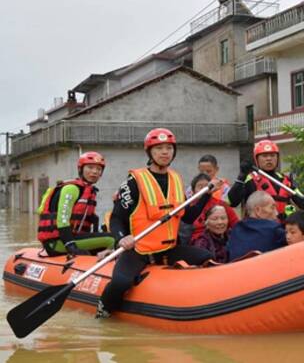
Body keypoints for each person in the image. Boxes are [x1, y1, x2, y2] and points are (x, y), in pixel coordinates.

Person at [96, 128, 213, 319]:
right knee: (120, 283)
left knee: (206, 256)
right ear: (150, 152)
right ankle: (103, 311)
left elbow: (188, 217)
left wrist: (204, 197)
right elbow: (117, 218)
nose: (165, 152)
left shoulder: (176, 179)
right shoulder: (133, 182)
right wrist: (121, 238)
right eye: (159, 148)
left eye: (168, 148)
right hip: (138, 251)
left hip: (167, 250)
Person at [37, 152, 115, 256]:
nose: (95, 172)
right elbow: (62, 219)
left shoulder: (89, 191)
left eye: (99, 169)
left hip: (74, 238)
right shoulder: (71, 189)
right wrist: (70, 245)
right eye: (90, 167)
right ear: (80, 169)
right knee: (112, 239)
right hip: (58, 242)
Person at [227, 139, 304, 222]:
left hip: (282, 229)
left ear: (277, 158)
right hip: (258, 229)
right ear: (256, 159)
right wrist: (241, 177)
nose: (269, 159)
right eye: (264, 156)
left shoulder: (286, 180)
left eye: (272, 155)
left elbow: (303, 203)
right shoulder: (249, 179)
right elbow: (232, 202)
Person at [226, 191, 286, 261]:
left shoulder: (236, 229)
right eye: (272, 208)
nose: (276, 213)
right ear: (258, 210)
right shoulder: (275, 229)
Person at [181, 173, 238, 245]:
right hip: (195, 245)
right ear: (192, 191)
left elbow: (237, 226)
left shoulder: (222, 205)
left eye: (207, 186)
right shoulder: (189, 209)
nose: (205, 190)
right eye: (200, 187)